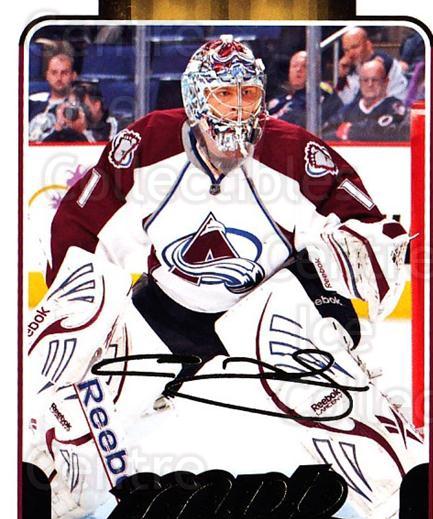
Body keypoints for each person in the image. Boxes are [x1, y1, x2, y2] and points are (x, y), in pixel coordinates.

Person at [46, 34, 408, 394]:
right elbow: (79, 224)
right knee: (94, 400)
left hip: (268, 315)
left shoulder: (293, 150)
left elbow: (363, 220)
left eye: (247, 94)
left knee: (333, 384)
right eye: (223, 94)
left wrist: (371, 246)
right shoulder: (148, 142)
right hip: (172, 312)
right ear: (196, 99)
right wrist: (73, 307)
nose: (237, 108)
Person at [323, 59, 410, 142]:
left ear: (385, 82)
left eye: (375, 80)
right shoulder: (346, 111)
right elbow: (325, 134)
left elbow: (392, 132)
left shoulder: (396, 108)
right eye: (365, 80)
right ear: (359, 82)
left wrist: (350, 130)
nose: (370, 84)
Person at [268, 50, 341, 127]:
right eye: (294, 66)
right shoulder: (279, 98)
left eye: (305, 66)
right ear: (289, 71)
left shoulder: (321, 95)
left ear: (315, 71)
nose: (299, 69)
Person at [337, 27, 408, 105]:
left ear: (368, 45)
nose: (350, 54)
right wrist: (342, 78)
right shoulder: (352, 67)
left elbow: (366, 101)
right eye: (346, 50)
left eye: (355, 47)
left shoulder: (383, 63)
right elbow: (346, 101)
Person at [42, 80, 121, 143]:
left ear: (96, 105)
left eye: (81, 105)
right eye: (72, 105)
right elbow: (43, 150)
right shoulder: (69, 129)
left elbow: (104, 154)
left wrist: (83, 131)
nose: (77, 110)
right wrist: (58, 128)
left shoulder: (116, 127)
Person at [29, 51, 78, 141]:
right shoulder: (32, 102)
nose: (59, 78)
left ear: (73, 76)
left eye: (64, 73)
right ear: (47, 75)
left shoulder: (77, 108)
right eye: (54, 73)